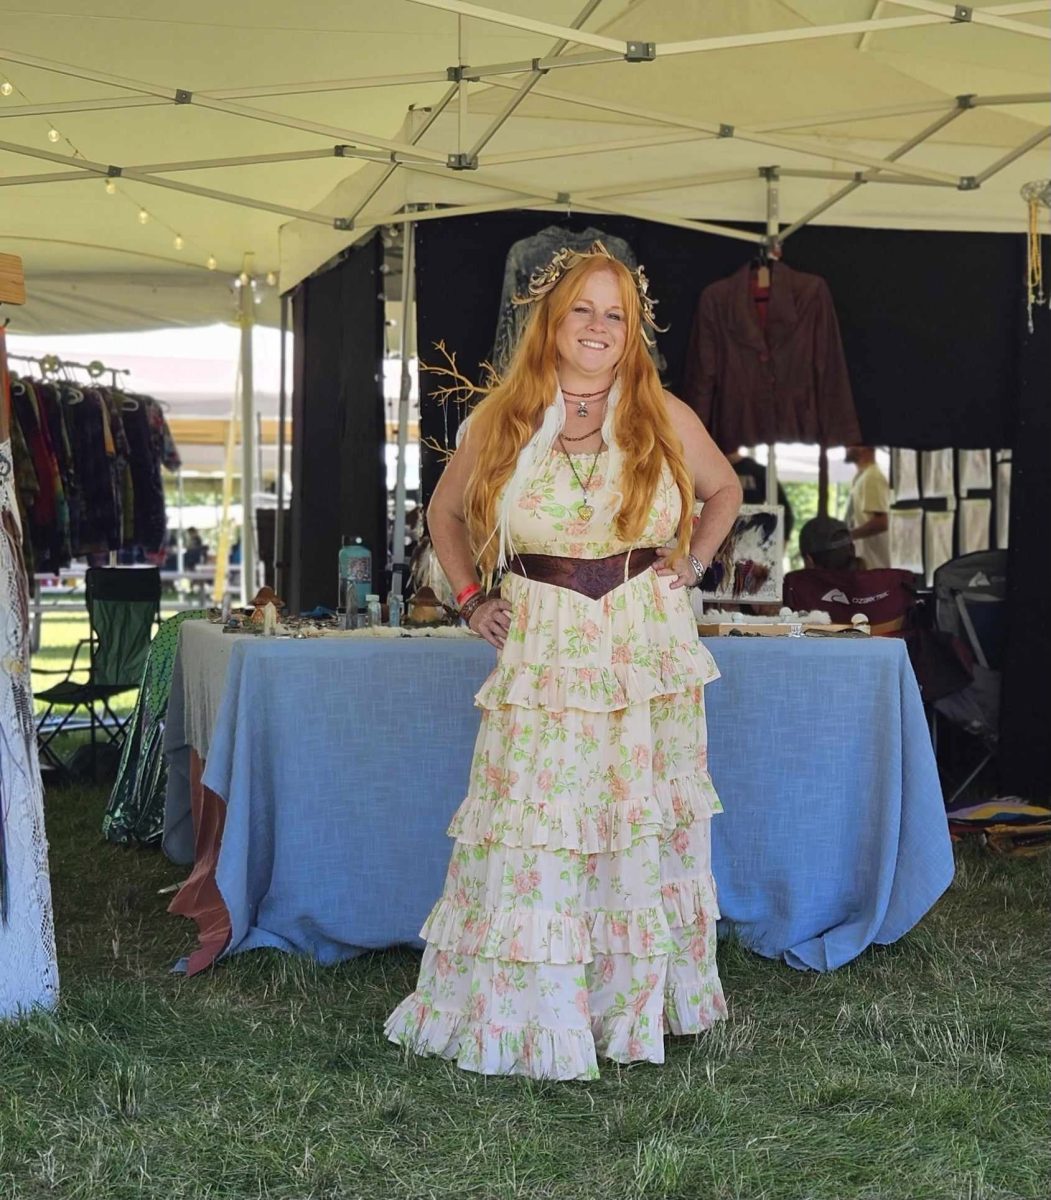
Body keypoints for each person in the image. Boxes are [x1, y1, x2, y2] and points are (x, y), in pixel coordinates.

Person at [385, 243, 742, 1080]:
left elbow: (723, 491)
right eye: (582, 309)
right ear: (549, 319)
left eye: (614, 314)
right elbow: (443, 515)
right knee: (539, 822)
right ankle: (531, 1014)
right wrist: (473, 597)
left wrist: (690, 562)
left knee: (631, 821)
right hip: (542, 639)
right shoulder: (502, 415)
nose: (597, 327)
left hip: (643, 643)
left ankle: (634, 1007)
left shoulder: (663, 413)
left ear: (633, 330)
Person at [784, 516, 916, 634]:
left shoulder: (798, 588)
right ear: (853, 550)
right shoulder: (898, 584)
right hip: (889, 660)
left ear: (809, 560)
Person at [726, 449, 794, 540]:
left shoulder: (759, 471)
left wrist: (783, 542)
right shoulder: (713, 468)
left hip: (750, 535)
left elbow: (785, 510)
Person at [844, 446, 890, 569]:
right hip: (866, 566)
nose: (846, 446)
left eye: (851, 443)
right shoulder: (861, 477)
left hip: (874, 567)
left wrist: (847, 536)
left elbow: (882, 522)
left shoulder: (873, 477)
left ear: (865, 447)